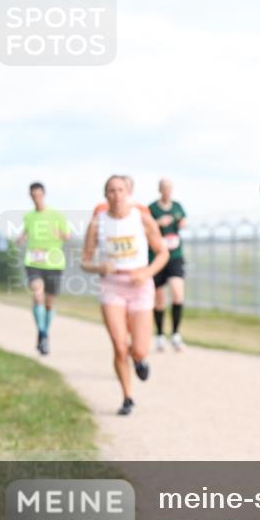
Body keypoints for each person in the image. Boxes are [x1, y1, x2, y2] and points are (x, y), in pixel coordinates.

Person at [81, 175, 169, 415]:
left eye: (120, 190)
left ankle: (140, 359)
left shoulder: (141, 218)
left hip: (139, 285)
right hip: (111, 286)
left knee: (139, 349)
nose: (116, 195)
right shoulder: (97, 223)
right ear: (105, 195)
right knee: (120, 347)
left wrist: (147, 272)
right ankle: (127, 397)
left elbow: (163, 253)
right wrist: (100, 267)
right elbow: (84, 262)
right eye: (111, 190)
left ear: (127, 193)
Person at [16, 182, 72, 355]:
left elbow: (68, 236)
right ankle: (42, 332)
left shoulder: (57, 215)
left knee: (49, 302)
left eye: (39, 195)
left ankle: (45, 333)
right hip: (33, 262)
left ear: (44, 195)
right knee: (37, 294)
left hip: (54, 263)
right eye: (33, 195)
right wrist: (21, 238)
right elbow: (26, 232)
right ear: (30, 196)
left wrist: (60, 234)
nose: (36, 198)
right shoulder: (29, 217)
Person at [149, 178, 188, 351]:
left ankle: (176, 334)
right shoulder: (152, 208)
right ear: (159, 190)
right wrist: (158, 223)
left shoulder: (178, 206)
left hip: (175, 255)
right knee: (159, 300)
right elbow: (145, 228)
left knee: (178, 293)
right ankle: (159, 335)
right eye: (164, 188)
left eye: (170, 188)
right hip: (157, 256)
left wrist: (182, 223)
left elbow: (184, 221)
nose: (167, 191)